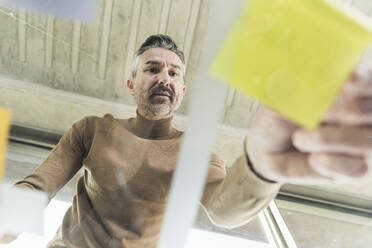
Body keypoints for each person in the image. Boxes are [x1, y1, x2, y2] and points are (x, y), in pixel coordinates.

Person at [1, 34, 371, 247]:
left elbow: (223, 210)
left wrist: (260, 165)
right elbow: (37, 187)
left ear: (181, 89)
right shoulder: (92, 129)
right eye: (152, 68)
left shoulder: (194, 153)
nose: (164, 77)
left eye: (173, 72)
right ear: (132, 84)